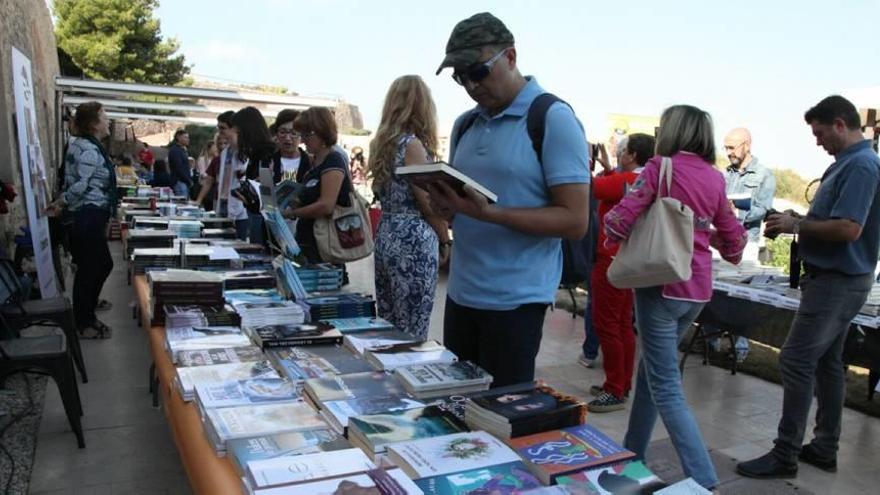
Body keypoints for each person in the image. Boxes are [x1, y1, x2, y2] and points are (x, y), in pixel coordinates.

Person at [430, 13, 590, 388]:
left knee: (501, 420)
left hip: (515, 302)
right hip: (461, 294)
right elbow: (469, 207)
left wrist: (490, 213)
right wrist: (448, 207)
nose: (470, 84)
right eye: (460, 76)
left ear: (511, 57)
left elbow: (574, 220)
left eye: (478, 71)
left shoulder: (552, 118)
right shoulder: (464, 124)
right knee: (459, 411)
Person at [604, 105, 747, 491]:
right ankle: (632, 455)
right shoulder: (715, 178)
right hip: (697, 289)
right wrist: (711, 238)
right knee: (652, 373)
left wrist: (610, 235)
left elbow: (623, 215)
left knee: (665, 383)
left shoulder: (659, 167)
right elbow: (733, 238)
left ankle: (703, 477)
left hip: (660, 285)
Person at [737, 95, 880, 480]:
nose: (817, 142)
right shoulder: (850, 164)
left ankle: (785, 453)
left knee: (796, 359)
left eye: (819, 133)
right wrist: (798, 218)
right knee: (827, 363)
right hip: (837, 279)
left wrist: (798, 226)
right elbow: (837, 220)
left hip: (838, 281)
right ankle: (823, 446)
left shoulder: (862, 166)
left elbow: (849, 228)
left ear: (839, 124)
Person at [368, 75, 450, 341]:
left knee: (389, 322)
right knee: (412, 327)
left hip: (387, 232)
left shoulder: (380, 144)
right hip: (412, 239)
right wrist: (444, 239)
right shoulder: (412, 145)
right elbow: (427, 202)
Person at [587, 133, 655, 413]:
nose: (617, 154)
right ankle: (621, 382)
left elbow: (588, 187)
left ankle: (615, 388)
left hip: (610, 261)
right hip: (627, 261)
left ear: (632, 156)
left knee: (606, 324)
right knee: (623, 324)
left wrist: (582, 161)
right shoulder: (639, 180)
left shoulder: (625, 181)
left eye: (622, 151)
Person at [45, 101, 119, 339]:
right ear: (94, 124)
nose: (108, 120)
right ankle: (84, 321)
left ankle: (86, 312)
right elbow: (80, 185)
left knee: (96, 266)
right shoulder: (87, 149)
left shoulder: (88, 146)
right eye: (104, 116)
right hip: (86, 215)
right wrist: (61, 202)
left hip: (88, 214)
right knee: (93, 267)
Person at [715, 127, 777, 362]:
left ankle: (739, 348)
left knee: (742, 296)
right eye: (726, 147)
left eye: (732, 147)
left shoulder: (764, 175)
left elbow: (764, 208)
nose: (728, 152)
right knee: (718, 291)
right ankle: (711, 341)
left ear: (747, 145)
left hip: (746, 240)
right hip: (720, 238)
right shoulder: (723, 174)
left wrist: (738, 211)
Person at [282, 107, 353, 264]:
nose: (303, 140)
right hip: (309, 245)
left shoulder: (333, 160)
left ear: (322, 132)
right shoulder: (315, 162)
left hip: (325, 249)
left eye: (307, 134)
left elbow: (326, 205)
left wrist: (293, 213)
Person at [195, 111, 250, 239]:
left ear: (234, 128)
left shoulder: (245, 152)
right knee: (222, 239)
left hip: (239, 206)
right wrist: (198, 200)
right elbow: (210, 179)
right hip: (223, 201)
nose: (220, 132)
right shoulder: (225, 153)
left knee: (238, 241)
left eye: (223, 128)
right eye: (218, 128)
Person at [232, 107, 276, 245]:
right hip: (256, 214)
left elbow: (267, 194)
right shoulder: (256, 153)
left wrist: (252, 195)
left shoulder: (266, 154)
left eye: (238, 133)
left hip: (263, 219)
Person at [269, 109, 311, 184]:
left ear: (301, 135)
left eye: (293, 133)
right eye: (282, 132)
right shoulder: (268, 161)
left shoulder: (311, 162)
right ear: (276, 134)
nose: (287, 138)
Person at [168, 129, 192, 198]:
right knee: (182, 204)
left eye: (188, 137)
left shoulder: (182, 150)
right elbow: (178, 168)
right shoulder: (175, 151)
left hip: (184, 182)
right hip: (179, 182)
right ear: (178, 137)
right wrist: (188, 180)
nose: (188, 139)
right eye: (185, 137)